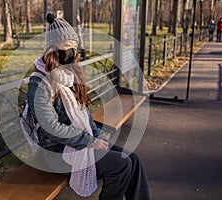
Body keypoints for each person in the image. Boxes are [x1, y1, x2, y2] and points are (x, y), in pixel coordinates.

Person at [27, 13, 151, 200]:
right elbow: (50, 128)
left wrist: (98, 136)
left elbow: (84, 113)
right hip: (54, 152)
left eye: (75, 47)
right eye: (68, 46)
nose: (72, 52)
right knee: (121, 165)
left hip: (78, 142)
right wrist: (89, 141)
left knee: (134, 159)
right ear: (53, 47)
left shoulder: (69, 75)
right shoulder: (39, 83)